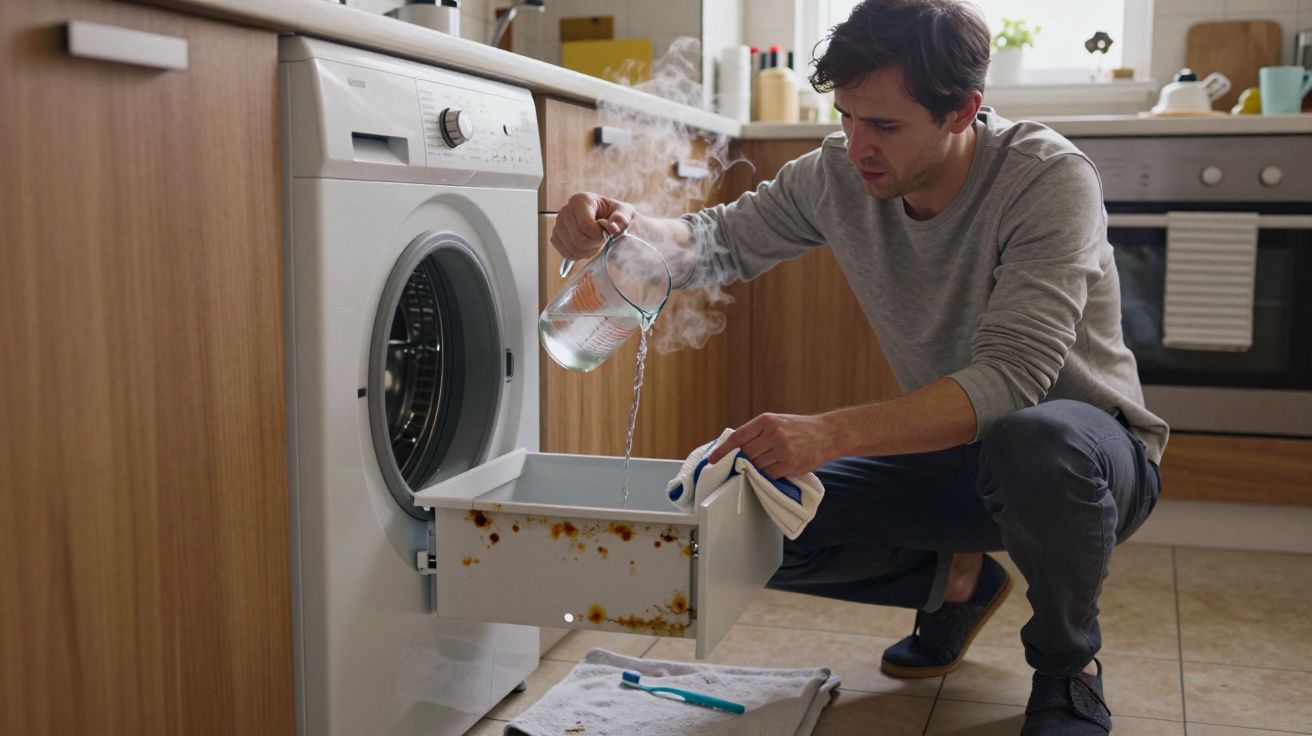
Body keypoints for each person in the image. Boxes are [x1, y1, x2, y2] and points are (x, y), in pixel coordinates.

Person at [548, 0, 1167, 732]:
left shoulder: (1047, 179)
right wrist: (620, 222)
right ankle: (955, 579)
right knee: (746, 513)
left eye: (884, 126)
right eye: (846, 117)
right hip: (954, 455)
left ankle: (1070, 669)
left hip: (1088, 459)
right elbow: (714, 243)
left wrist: (829, 433)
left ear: (962, 111)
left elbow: (1011, 380)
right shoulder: (840, 172)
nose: (857, 146)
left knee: (1032, 442)